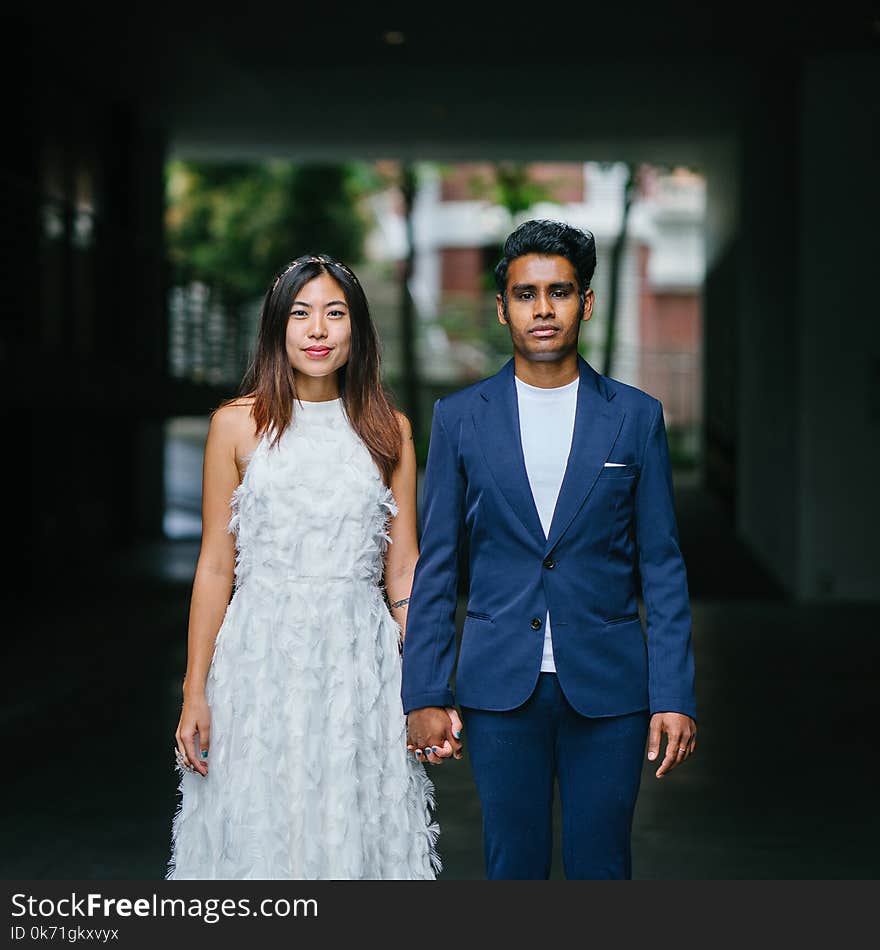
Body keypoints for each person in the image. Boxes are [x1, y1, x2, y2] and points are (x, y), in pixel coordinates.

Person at [401, 220, 697, 880]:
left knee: (602, 867)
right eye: (526, 294)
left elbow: (662, 563)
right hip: (499, 685)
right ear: (503, 307)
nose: (543, 309)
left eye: (559, 292)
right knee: (513, 868)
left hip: (611, 687)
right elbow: (439, 561)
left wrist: (674, 691)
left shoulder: (635, 416)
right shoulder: (459, 418)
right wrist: (424, 688)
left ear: (584, 303)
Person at [167, 253, 459, 880]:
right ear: (279, 328)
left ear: (358, 330)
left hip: (362, 664)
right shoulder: (235, 427)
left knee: (353, 825)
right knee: (260, 830)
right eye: (301, 315)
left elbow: (403, 567)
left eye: (335, 313)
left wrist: (430, 685)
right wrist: (195, 692)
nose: (318, 330)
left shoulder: (391, 430)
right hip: (258, 662)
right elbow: (217, 568)